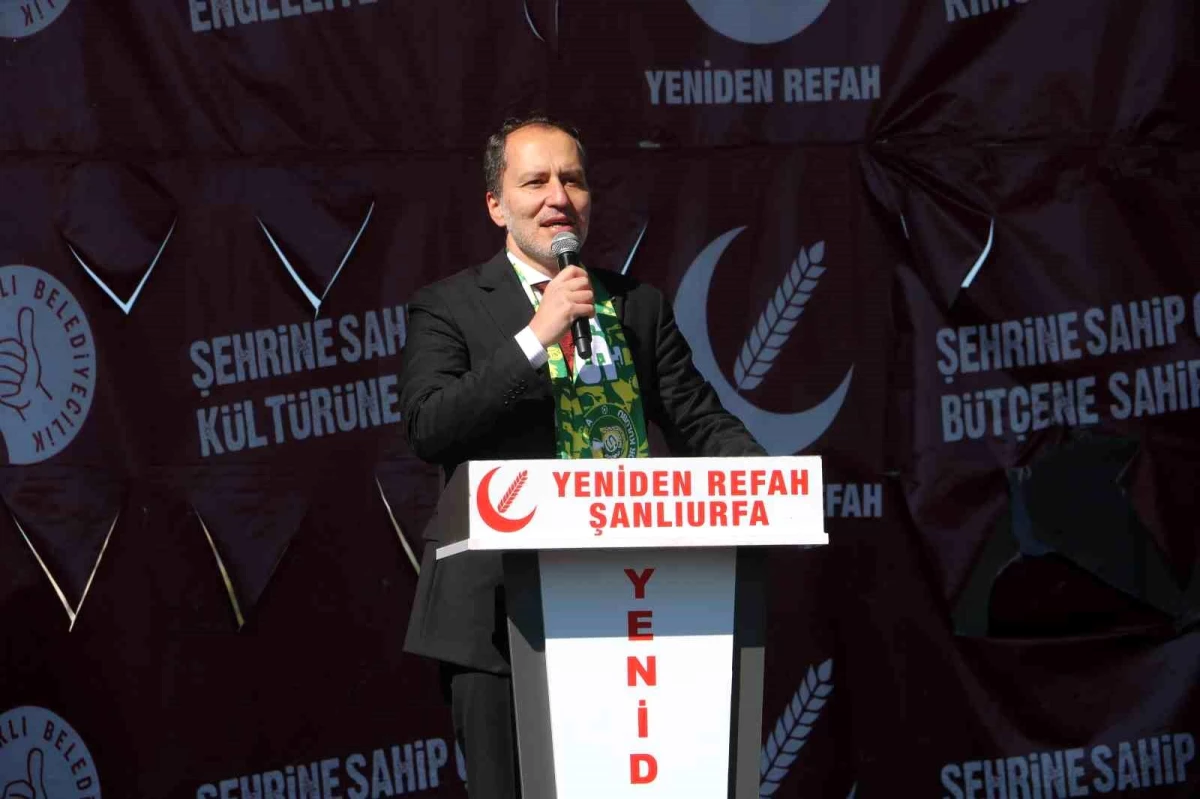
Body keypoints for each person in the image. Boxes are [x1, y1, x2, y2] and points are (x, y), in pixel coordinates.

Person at [398, 114, 764, 798]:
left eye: (572, 179)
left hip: (628, 605)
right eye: (535, 181)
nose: (558, 197)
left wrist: (766, 480)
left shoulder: (637, 305)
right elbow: (429, 426)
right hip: (496, 616)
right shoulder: (448, 306)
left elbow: (698, 418)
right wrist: (535, 337)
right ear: (496, 205)